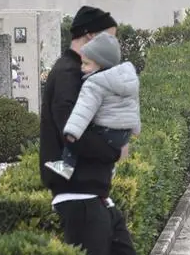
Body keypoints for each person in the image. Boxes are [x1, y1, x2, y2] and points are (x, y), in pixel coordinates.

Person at [39, 5, 140, 255]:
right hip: (77, 192)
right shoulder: (68, 73)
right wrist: (113, 151)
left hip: (97, 192)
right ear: (89, 38)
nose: (114, 47)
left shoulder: (88, 73)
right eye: (109, 39)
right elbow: (71, 133)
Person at [44, 32, 141, 180]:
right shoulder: (128, 78)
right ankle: (109, 168)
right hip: (123, 134)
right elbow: (133, 105)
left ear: (101, 63)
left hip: (107, 131)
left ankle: (67, 166)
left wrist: (72, 131)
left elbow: (84, 110)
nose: (82, 67)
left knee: (79, 139)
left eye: (87, 64)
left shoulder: (94, 83)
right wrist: (135, 128)